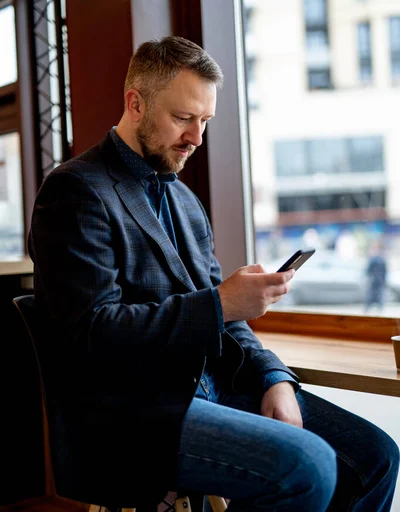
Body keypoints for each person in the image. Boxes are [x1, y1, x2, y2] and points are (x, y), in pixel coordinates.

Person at [28, 36, 399, 511]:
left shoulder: (183, 200)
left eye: (205, 121)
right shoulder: (76, 190)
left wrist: (273, 379)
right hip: (135, 412)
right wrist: (221, 303)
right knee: (305, 467)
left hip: (213, 388)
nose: (197, 138)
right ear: (135, 103)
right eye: (184, 118)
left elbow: (228, 316)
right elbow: (91, 333)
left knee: (378, 458)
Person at [365, 243, 388, 313]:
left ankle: (378, 308)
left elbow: (385, 270)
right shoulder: (376, 259)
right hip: (376, 280)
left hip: (377, 280)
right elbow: (368, 270)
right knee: (373, 294)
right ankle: (369, 308)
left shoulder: (377, 259)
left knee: (377, 294)